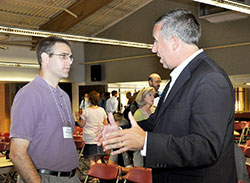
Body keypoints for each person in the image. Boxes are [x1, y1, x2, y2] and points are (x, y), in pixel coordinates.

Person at [96, 9, 237, 183]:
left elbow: (205, 147)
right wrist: (121, 132)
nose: (153, 49)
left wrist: (146, 142)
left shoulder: (209, 79)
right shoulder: (181, 78)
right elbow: (159, 122)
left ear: (174, 42)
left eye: (156, 41)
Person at [10, 37, 80, 183]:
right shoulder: (30, 94)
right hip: (44, 177)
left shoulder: (64, 96)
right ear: (45, 58)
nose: (70, 61)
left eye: (70, 57)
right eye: (63, 56)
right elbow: (17, 153)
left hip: (71, 177)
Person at [75, 91, 108, 167]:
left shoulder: (86, 111)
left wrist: (77, 117)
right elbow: (106, 124)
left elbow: (81, 125)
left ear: (89, 100)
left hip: (89, 138)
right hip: (99, 137)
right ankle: (98, 176)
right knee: (98, 159)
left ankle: (94, 177)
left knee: (92, 159)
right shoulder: (102, 110)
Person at [133, 87, 155, 167]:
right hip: (141, 150)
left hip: (152, 148)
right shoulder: (138, 113)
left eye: (153, 95)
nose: (152, 97)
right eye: (150, 95)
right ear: (143, 98)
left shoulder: (154, 111)